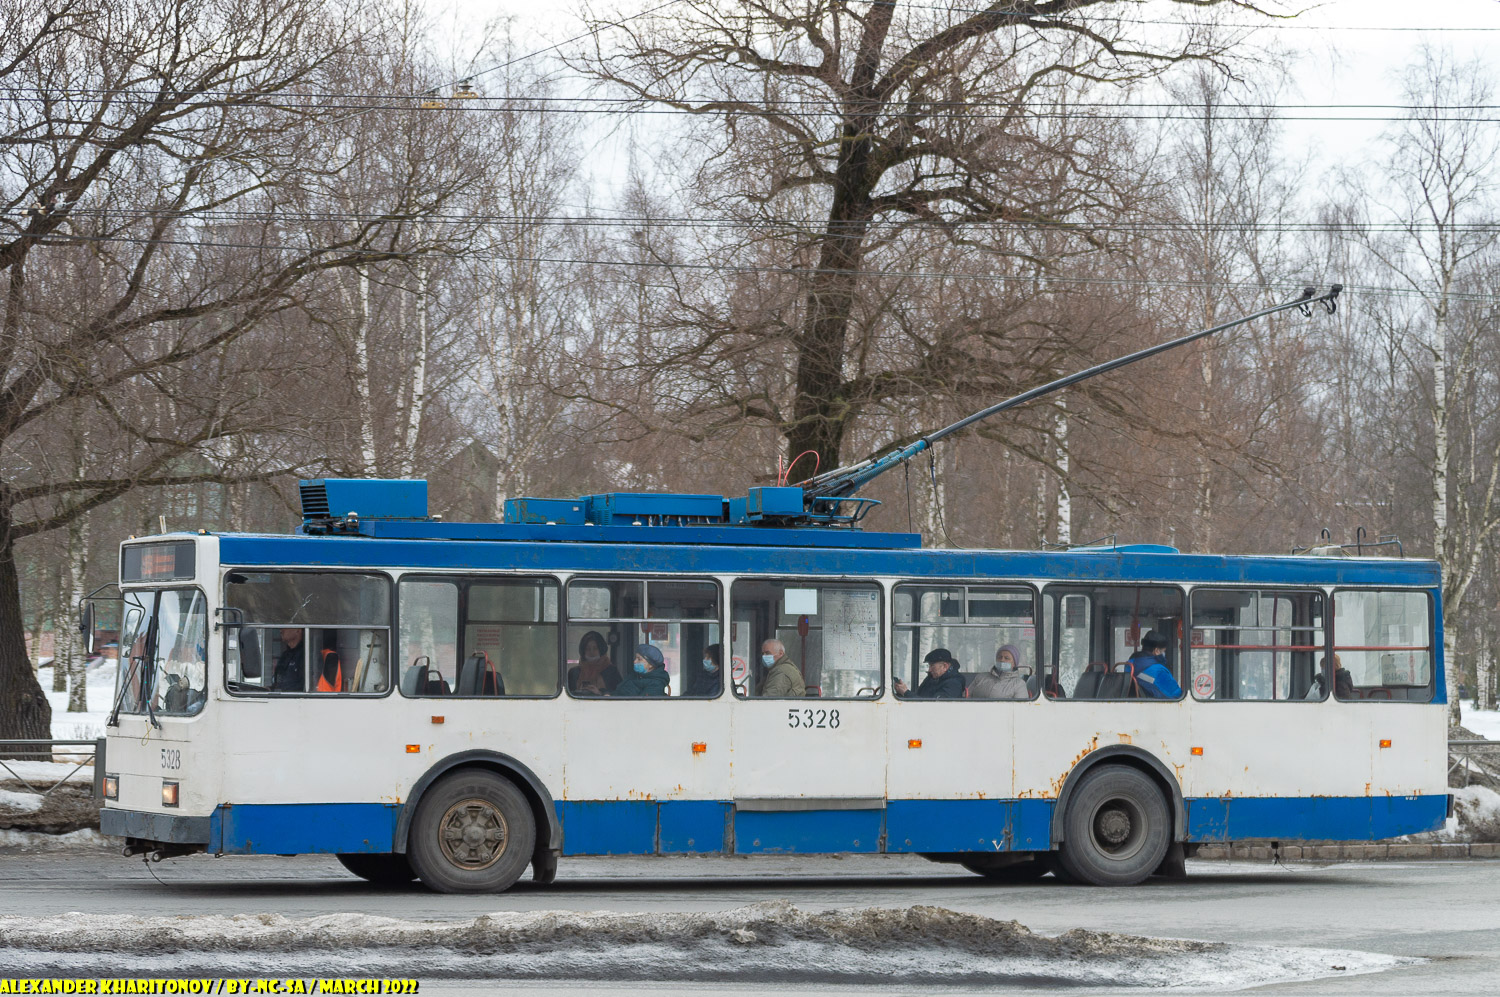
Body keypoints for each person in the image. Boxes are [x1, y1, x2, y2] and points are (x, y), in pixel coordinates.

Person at [1127, 630, 1183, 699]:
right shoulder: (1158, 671)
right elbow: (1177, 695)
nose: (1164, 654)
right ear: (1156, 651)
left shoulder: (1129, 665)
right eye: (1163, 651)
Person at [895, 647, 967, 699]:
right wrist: (901, 693)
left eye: (932, 666)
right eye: (929, 666)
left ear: (945, 666)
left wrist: (906, 693)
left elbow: (932, 707)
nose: (929, 670)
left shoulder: (953, 684)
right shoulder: (932, 678)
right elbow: (919, 696)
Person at [568, 631, 621, 696]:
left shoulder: (612, 671)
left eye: (595, 648)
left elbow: (619, 695)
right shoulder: (574, 672)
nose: (591, 652)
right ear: (583, 651)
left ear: (601, 649)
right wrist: (578, 692)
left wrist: (600, 693)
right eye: (587, 649)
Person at [272, 628, 306, 692]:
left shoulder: (306, 655)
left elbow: (305, 686)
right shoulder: (285, 655)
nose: (281, 629)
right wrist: (270, 689)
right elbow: (278, 682)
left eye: (286, 626)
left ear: (298, 630)